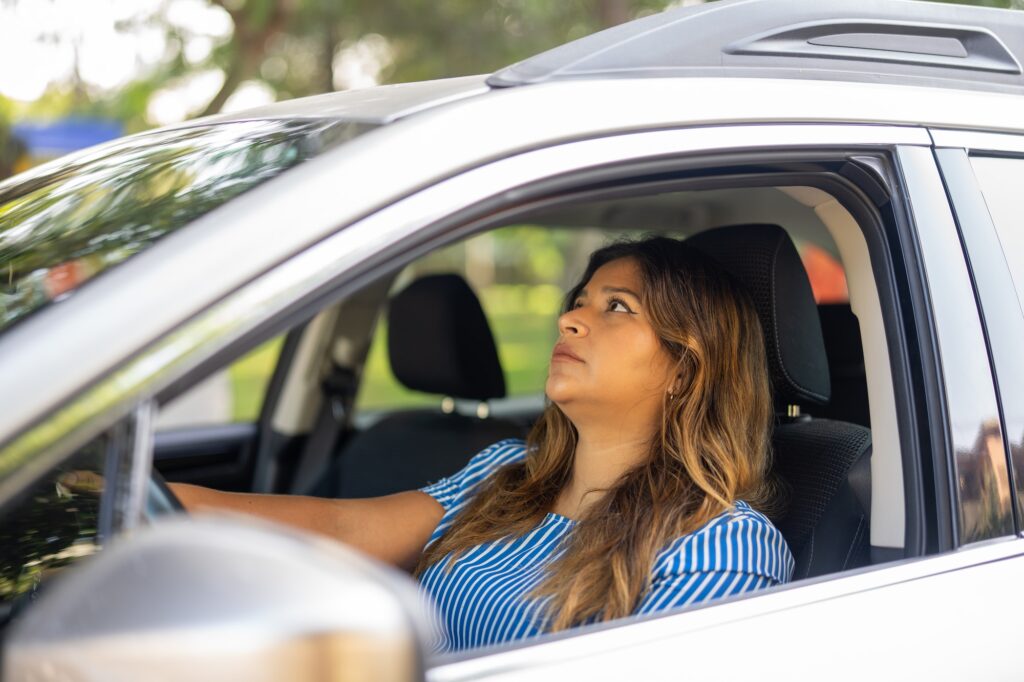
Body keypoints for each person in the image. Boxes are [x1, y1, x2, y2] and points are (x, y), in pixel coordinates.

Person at [172, 236, 794, 654]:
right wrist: (157, 506)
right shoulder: (507, 473)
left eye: (617, 307)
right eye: (580, 301)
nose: (569, 320)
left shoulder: (722, 548)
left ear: (685, 368)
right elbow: (343, 529)